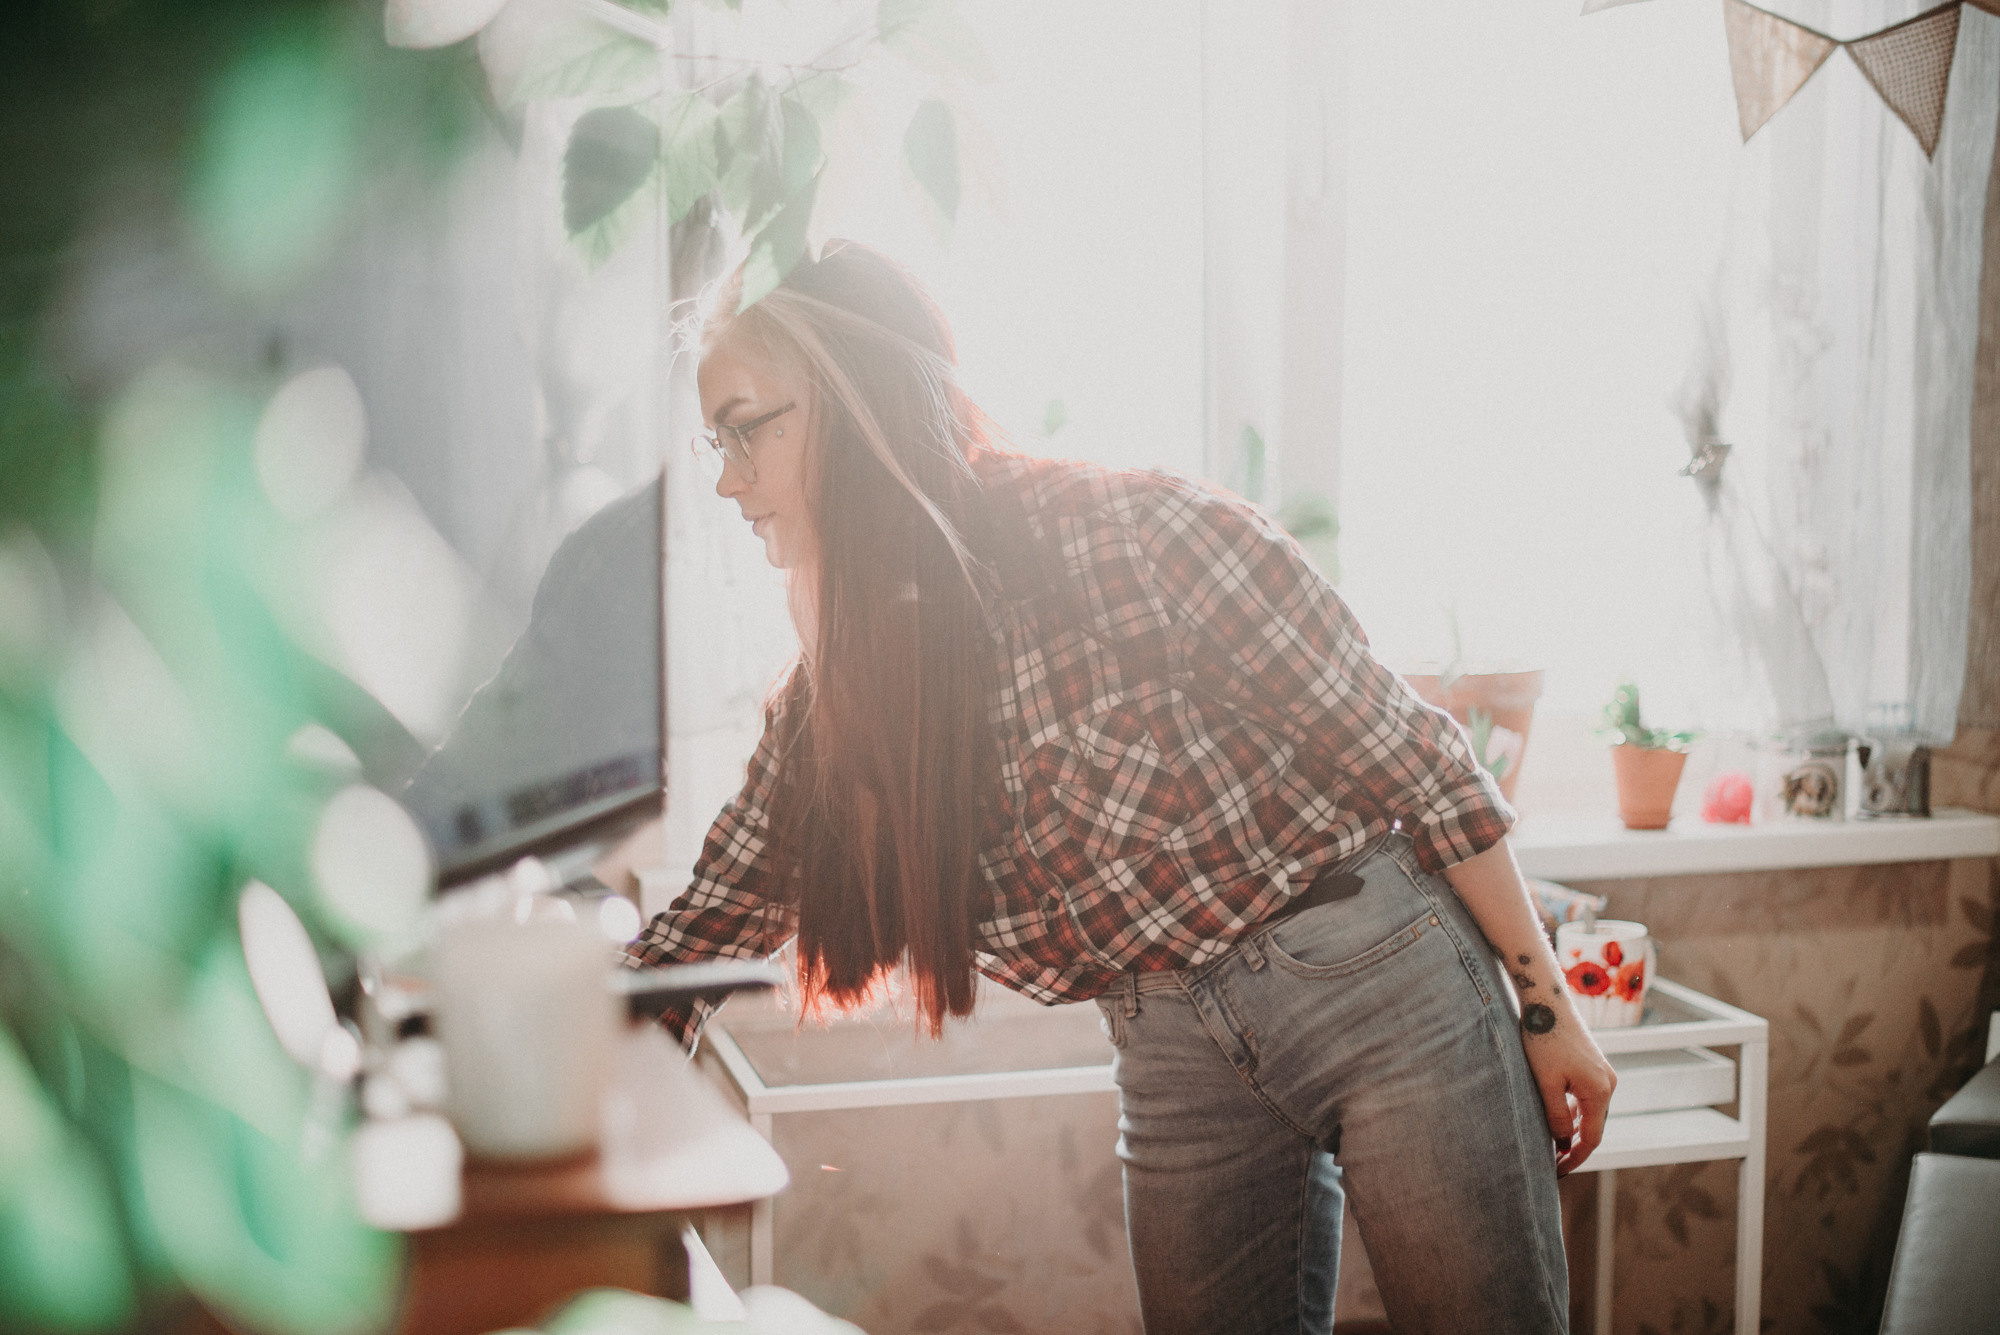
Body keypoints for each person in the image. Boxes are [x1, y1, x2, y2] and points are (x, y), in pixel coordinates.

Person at [624, 240, 1615, 1334]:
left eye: (745, 428)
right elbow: (702, 930)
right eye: (712, 440)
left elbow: (1419, 763)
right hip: (1170, 1052)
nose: (724, 478)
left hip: (1377, 985)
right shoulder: (837, 699)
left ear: (850, 398)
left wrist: (1545, 1008)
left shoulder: (1136, 534)